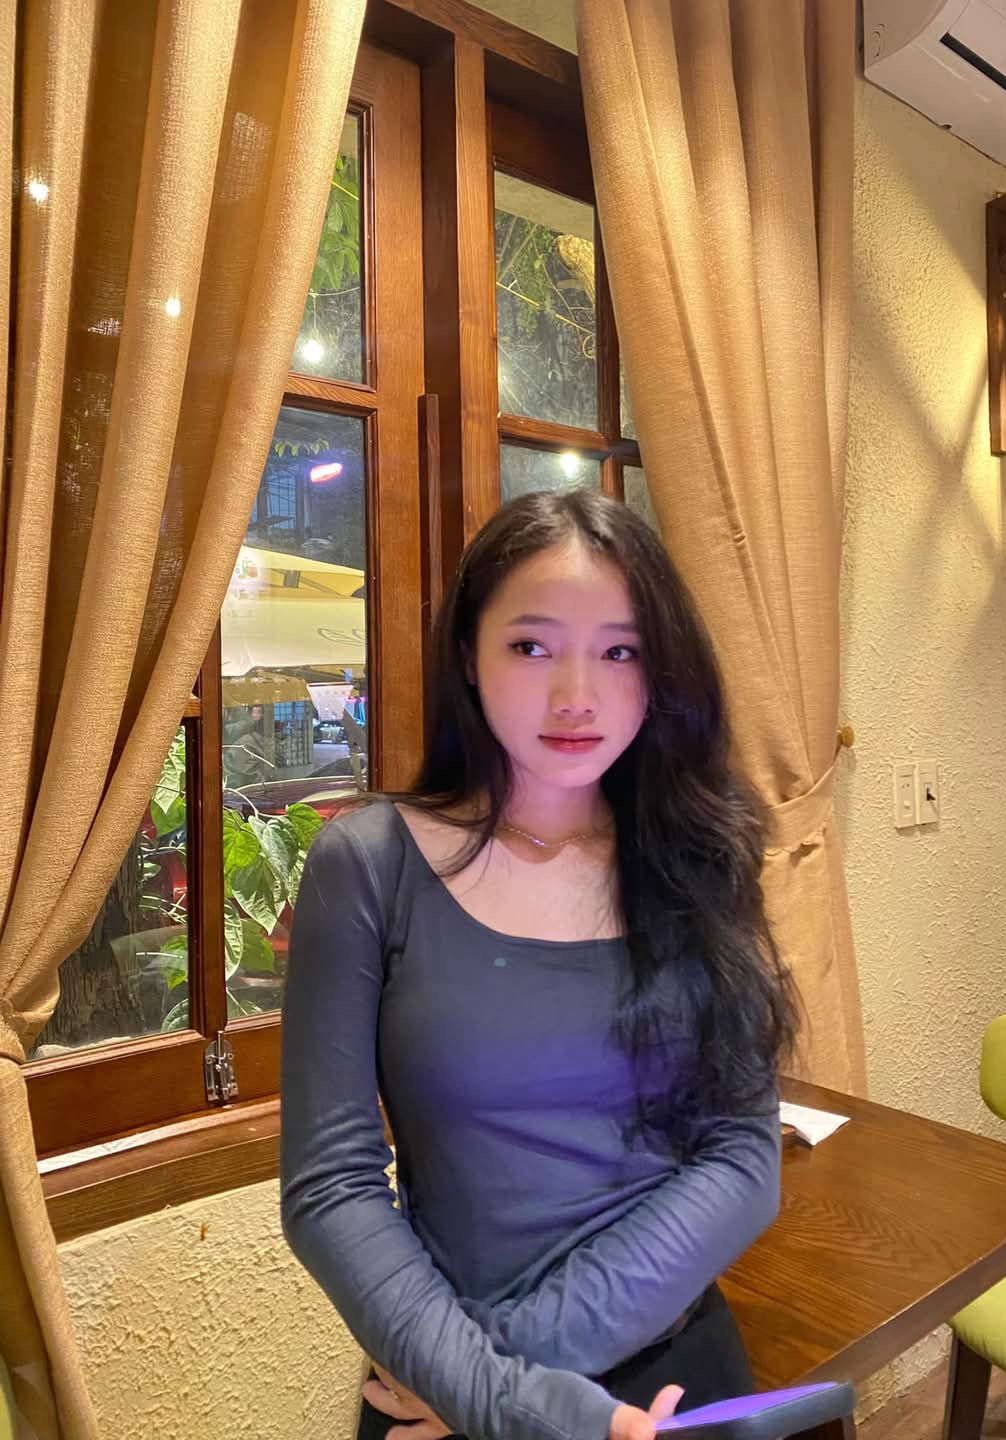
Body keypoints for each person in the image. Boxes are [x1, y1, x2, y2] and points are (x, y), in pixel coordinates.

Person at [280, 490, 797, 1440]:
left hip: (646, 1376)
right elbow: (331, 1186)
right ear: (467, 657)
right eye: (530, 645)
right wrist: (499, 1394)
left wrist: (502, 1378)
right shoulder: (368, 865)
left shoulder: (699, 855)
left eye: (620, 651)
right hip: (444, 1374)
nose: (576, 696)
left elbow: (743, 1157)